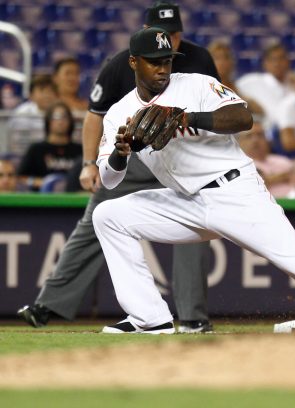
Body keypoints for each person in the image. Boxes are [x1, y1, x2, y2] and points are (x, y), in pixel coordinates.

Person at [92, 27, 295, 333]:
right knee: (108, 215)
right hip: (185, 202)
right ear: (134, 62)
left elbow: (243, 117)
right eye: (154, 61)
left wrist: (187, 117)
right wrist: (122, 152)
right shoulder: (119, 113)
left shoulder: (196, 85)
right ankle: (149, 319)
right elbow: (108, 178)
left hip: (234, 191)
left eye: (167, 60)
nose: (163, 68)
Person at [17, 1, 220, 333]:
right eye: (163, 34)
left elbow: (219, 108)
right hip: (132, 157)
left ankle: (193, 317)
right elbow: (95, 115)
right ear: (145, 34)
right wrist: (88, 164)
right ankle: (48, 305)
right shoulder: (120, 65)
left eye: (175, 35)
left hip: (181, 156)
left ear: (182, 33)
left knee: (194, 227)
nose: (169, 42)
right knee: (95, 219)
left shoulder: (199, 59)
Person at [17, 102, 82, 192]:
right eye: (56, 117)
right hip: (41, 199)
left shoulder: (80, 150)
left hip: (74, 197)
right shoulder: (36, 149)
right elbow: (20, 177)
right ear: (48, 120)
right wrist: (41, 182)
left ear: (71, 121)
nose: (60, 121)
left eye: (65, 117)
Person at [235, 43, 294, 134]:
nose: (277, 63)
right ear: (265, 63)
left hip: (289, 133)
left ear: (288, 62)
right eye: (273, 59)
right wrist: (249, 102)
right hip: (261, 134)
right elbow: (230, 90)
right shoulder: (252, 81)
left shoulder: (294, 87)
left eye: (281, 58)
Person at [237, 121, 293, 198]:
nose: (255, 140)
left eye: (260, 135)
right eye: (249, 136)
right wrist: (282, 177)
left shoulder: (284, 161)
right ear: (240, 142)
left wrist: (270, 179)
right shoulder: (239, 165)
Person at [7, 75, 57, 156]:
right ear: (31, 95)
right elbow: (17, 143)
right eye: (42, 91)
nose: (47, 95)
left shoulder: (59, 111)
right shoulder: (23, 113)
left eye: (50, 91)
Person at [207, 40, 259, 115]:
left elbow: (259, 111)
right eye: (217, 58)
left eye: (226, 57)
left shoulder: (241, 87)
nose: (222, 62)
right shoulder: (204, 87)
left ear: (232, 62)